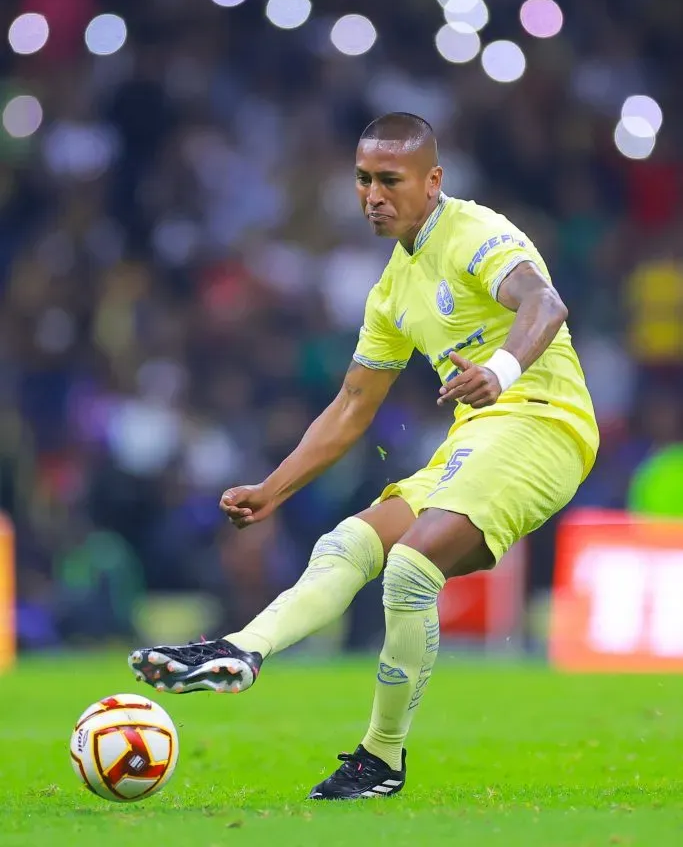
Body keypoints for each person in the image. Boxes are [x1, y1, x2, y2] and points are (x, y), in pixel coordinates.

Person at [129, 112, 599, 799]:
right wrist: (274, 488)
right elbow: (353, 406)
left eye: (389, 180)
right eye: (362, 180)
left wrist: (498, 369)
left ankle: (380, 758)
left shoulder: (476, 232)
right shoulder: (391, 288)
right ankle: (240, 649)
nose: (372, 195)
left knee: (408, 571)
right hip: (479, 436)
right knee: (347, 543)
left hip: (544, 423)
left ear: (432, 180)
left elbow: (544, 303)